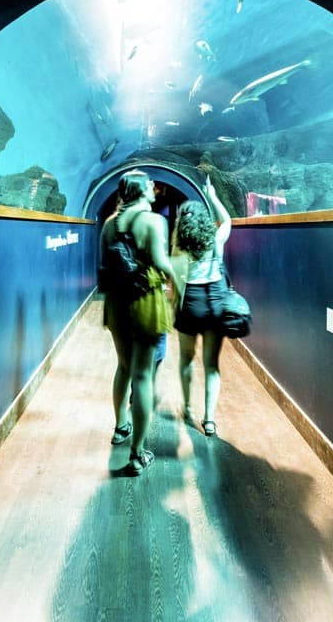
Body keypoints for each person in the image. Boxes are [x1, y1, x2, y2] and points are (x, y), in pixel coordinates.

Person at [101, 169, 179, 475]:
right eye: (149, 185)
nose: (153, 188)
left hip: (117, 303)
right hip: (145, 301)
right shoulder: (153, 221)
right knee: (144, 377)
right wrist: (176, 283)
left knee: (123, 367)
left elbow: (106, 265)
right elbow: (160, 262)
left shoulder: (109, 224)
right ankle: (136, 454)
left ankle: (121, 426)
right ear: (140, 190)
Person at [171, 174, 232, 437]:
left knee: (186, 357)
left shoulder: (179, 246)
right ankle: (209, 420)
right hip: (216, 301)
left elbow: (175, 279)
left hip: (191, 303)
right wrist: (214, 196)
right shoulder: (216, 240)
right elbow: (228, 220)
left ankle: (186, 407)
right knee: (211, 364)